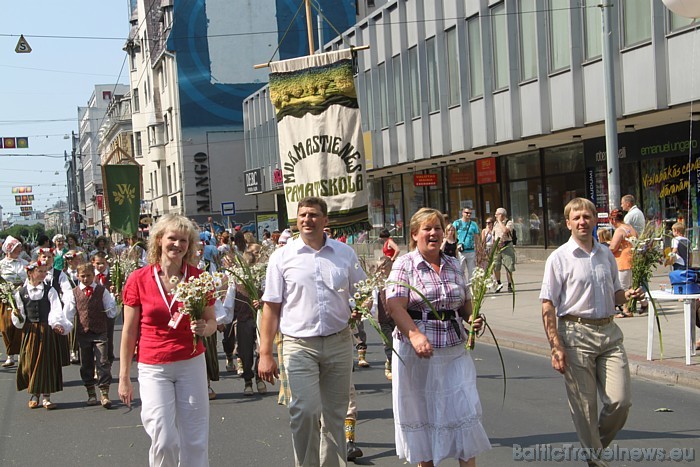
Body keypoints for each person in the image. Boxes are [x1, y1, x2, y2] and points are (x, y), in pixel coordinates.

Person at [258, 196, 366, 467]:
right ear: (297, 220)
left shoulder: (345, 254)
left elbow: (363, 292)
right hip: (298, 345)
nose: (307, 220)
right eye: (303, 215)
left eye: (314, 215)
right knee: (304, 411)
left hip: (339, 342)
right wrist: (265, 353)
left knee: (335, 415)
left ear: (325, 221)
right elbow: (271, 306)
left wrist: (360, 307)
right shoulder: (282, 257)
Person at [540, 198, 643, 467]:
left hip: (609, 332)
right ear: (568, 224)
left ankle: (592, 445)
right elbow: (548, 304)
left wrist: (627, 295)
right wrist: (555, 345)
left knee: (621, 402)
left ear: (595, 220)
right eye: (576, 218)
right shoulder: (559, 258)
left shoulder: (605, 254)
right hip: (575, 334)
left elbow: (615, 293)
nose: (582, 222)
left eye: (587, 216)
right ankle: (596, 459)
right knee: (585, 408)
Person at [386, 207, 490, 467]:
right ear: (414, 234)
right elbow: (395, 305)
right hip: (419, 353)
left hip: (454, 350)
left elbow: (463, 302)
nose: (433, 233)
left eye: (438, 228)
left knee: (464, 412)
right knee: (425, 417)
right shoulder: (405, 265)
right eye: (427, 229)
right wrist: (415, 334)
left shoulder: (454, 263)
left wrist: (472, 318)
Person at [118, 214, 217, 466]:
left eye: (184, 240)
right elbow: (129, 331)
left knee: (194, 439)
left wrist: (204, 328)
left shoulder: (199, 278)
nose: (178, 245)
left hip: (190, 363)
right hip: (153, 366)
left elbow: (212, 322)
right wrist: (124, 378)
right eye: (172, 238)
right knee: (163, 439)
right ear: (160, 240)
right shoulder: (138, 279)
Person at [12, 260, 71, 410]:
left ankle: (46, 396)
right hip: (30, 331)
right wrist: (17, 316)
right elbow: (20, 316)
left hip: (46, 330)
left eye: (45, 271)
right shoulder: (21, 293)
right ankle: (34, 393)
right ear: (30, 273)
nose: (44, 274)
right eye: (41, 271)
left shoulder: (50, 290)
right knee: (30, 362)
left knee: (46, 362)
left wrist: (56, 323)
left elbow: (56, 309)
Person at [63, 263, 117, 408]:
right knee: (86, 364)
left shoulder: (101, 290)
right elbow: (69, 313)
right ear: (77, 276)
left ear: (93, 275)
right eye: (82, 276)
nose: (86, 279)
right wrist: (65, 326)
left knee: (103, 361)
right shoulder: (73, 293)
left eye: (88, 276)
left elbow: (110, 310)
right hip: (84, 332)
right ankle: (91, 392)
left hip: (100, 331)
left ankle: (104, 393)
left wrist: (113, 303)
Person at [1, 236, 28, 368]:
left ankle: (18, 354)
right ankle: (9, 354)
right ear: (9, 248)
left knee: (20, 325)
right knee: (6, 327)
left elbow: (30, 278)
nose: (19, 249)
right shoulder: (2, 264)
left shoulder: (24, 263)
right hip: (6, 298)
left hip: (21, 297)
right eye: (17, 247)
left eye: (20, 247)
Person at [609, 209, 639, 318]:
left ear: (613, 220)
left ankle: (626, 310)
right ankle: (628, 308)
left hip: (623, 260)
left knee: (623, 286)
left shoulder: (619, 230)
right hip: (633, 259)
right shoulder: (631, 228)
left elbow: (613, 247)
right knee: (629, 285)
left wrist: (605, 247)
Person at [453, 207, 480, 281]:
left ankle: (470, 290)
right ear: (462, 213)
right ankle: (462, 287)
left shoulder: (473, 224)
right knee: (460, 271)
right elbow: (453, 235)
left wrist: (478, 249)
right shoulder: (457, 223)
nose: (468, 214)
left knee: (472, 272)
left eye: (470, 213)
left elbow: (477, 237)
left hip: (471, 250)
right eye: (467, 213)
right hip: (460, 251)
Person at [493, 207, 516, 292]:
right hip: (497, 246)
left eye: (497, 214)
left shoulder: (508, 222)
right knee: (496, 266)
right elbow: (493, 235)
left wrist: (499, 221)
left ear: (501, 215)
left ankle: (510, 285)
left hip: (507, 246)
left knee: (508, 266)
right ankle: (498, 283)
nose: (495, 215)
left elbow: (505, 230)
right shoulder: (495, 223)